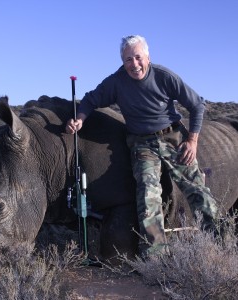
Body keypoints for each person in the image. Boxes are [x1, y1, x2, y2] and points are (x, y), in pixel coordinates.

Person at [65, 35, 218, 256]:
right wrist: (80, 119)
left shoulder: (164, 76)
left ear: (147, 57)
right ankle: (156, 257)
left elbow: (196, 104)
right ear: (122, 61)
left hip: (172, 136)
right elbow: (90, 99)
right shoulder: (116, 82)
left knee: (196, 188)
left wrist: (192, 141)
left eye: (138, 57)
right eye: (128, 59)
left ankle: (218, 242)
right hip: (141, 143)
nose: (134, 64)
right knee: (147, 194)